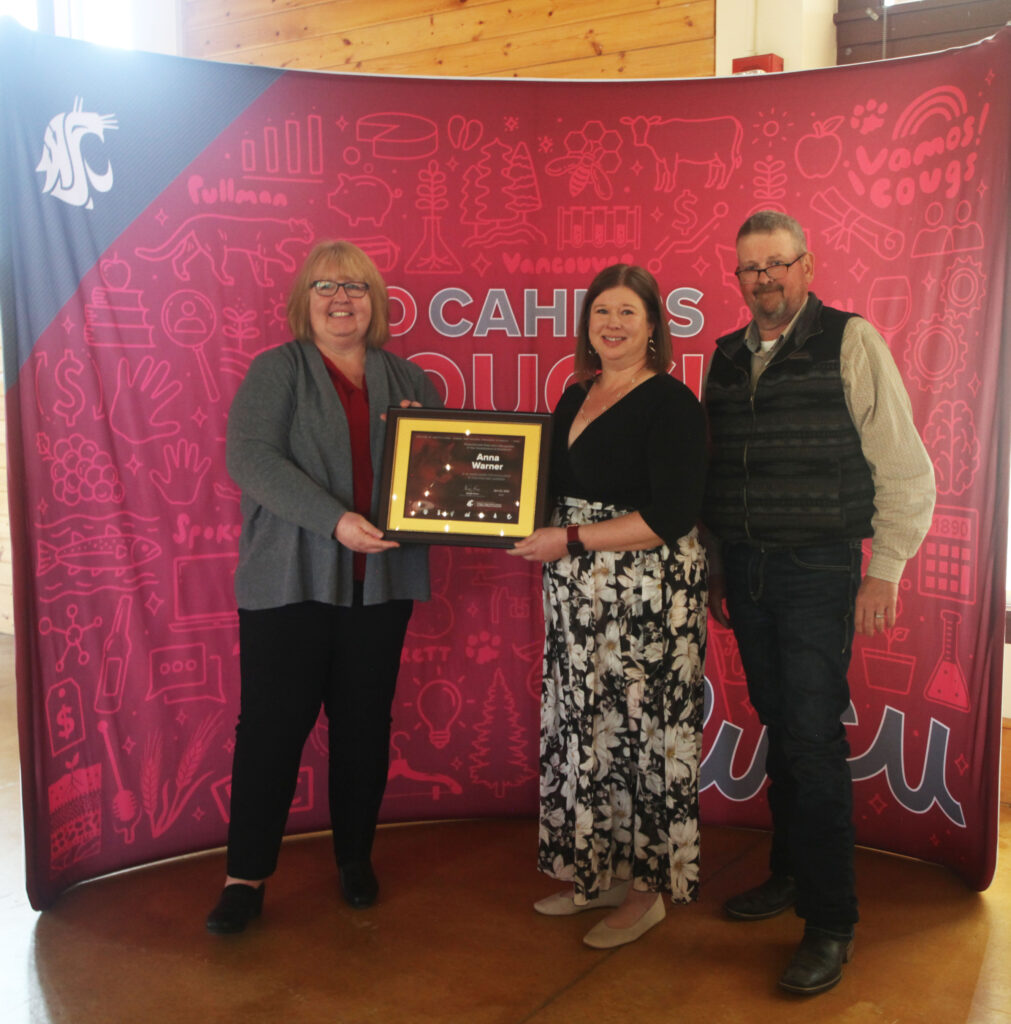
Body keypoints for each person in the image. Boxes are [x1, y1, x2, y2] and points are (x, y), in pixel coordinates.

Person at [703, 210, 935, 994]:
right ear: (737, 278)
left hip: (818, 569)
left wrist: (884, 570)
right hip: (746, 570)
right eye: (750, 268)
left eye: (776, 263)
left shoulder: (850, 340)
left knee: (811, 741)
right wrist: (717, 568)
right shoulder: (723, 358)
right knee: (781, 727)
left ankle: (830, 921)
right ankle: (790, 873)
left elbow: (902, 465)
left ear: (806, 265)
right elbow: (716, 472)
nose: (763, 278)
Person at [206, 240, 442, 934]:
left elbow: (442, 473)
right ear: (302, 302)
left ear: (376, 302)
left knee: (364, 727)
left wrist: (446, 472)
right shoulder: (277, 370)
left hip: (381, 585)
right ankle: (245, 878)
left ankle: (354, 859)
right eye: (325, 287)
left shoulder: (410, 379)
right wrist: (334, 521)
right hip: (290, 582)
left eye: (356, 287)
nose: (342, 299)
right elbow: (250, 458)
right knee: (272, 730)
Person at [509, 264, 707, 949]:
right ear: (586, 325)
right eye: (601, 313)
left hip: (648, 598)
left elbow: (670, 515)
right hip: (577, 595)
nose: (613, 325)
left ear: (653, 325)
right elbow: (541, 484)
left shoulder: (672, 403)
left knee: (645, 736)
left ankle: (647, 893)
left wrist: (569, 540)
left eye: (627, 312)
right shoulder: (576, 394)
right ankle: (600, 874)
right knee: (587, 732)